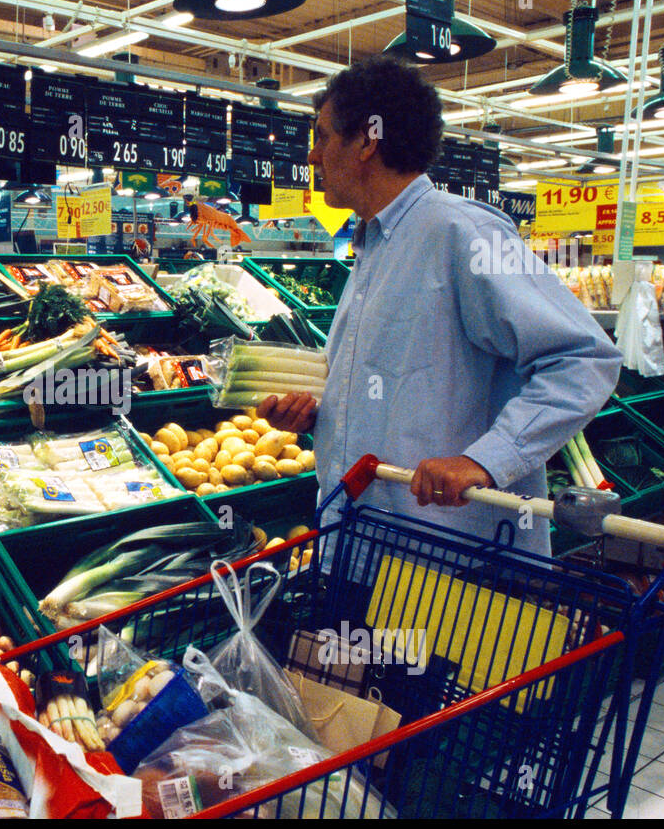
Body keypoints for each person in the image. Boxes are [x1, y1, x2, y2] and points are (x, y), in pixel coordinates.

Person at [259, 55, 622, 556]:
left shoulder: (462, 233)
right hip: (364, 544)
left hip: (447, 564)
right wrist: (317, 414)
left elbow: (584, 358)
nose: (314, 157)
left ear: (367, 140)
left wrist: (485, 461)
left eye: (321, 137)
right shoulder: (372, 246)